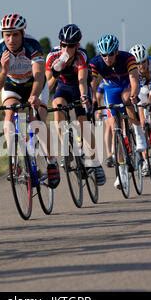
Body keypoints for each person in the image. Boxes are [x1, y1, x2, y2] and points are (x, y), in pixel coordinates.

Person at [0, 13, 60, 189]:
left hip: (35, 84)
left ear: (22, 33)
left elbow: (38, 77)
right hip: (12, 85)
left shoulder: (33, 46)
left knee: (37, 121)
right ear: (2, 35)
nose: (11, 39)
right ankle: (14, 162)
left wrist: (34, 96)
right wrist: (4, 71)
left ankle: (51, 162)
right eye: (7, 34)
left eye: (15, 34)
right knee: (9, 114)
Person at [45, 24, 106, 186]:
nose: (66, 48)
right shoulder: (52, 56)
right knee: (57, 105)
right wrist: (56, 71)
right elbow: (48, 86)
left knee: (83, 125)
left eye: (70, 46)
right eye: (63, 45)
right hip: (63, 87)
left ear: (77, 45)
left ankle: (95, 163)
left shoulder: (81, 56)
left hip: (79, 88)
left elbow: (81, 80)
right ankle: (66, 149)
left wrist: (85, 96)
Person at [89, 35, 144, 189]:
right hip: (111, 89)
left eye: (111, 54)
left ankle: (139, 135)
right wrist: (93, 101)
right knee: (114, 127)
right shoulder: (95, 62)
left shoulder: (128, 58)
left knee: (127, 99)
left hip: (127, 85)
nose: (107, 58)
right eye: (104, 55)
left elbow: (134, 81)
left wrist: (134, 95)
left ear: (117, 52)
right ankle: (122, 173)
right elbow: (92, 84)